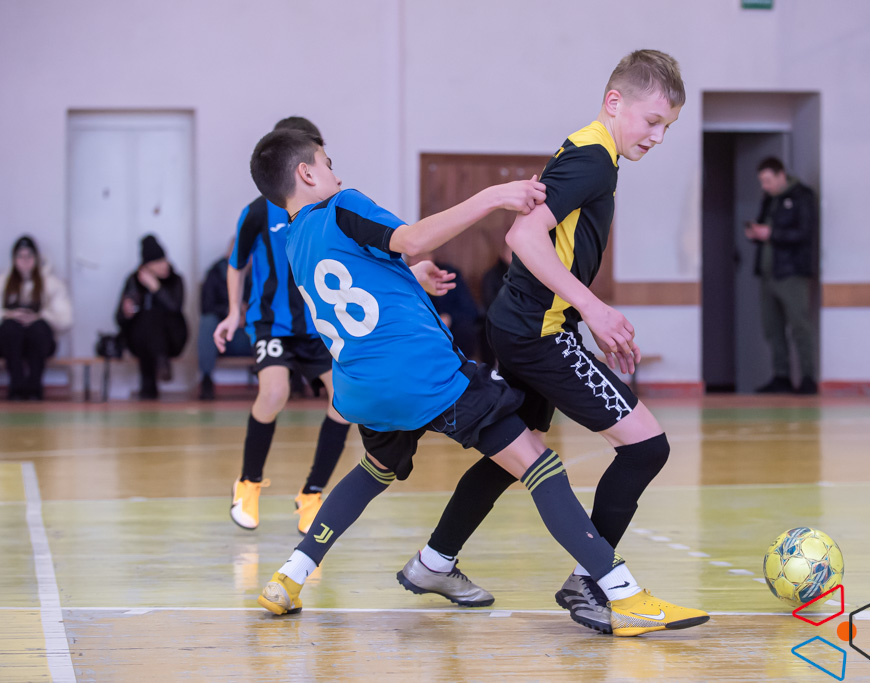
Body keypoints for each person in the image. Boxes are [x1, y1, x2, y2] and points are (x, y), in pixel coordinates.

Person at [250, 127, 708, 637]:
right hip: (424, 377)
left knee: (372, 472)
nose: (337, 174)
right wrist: (492, 196)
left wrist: (411, 279)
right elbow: (412, 240)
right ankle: (621, 593)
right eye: (328, 164)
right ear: (307, 173)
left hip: (363, 387)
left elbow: (353, 286)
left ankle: (290, 576)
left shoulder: (294, 239)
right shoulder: (341, 204)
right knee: (538, 463)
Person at [399, 49, 692, 636]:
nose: (658, 137)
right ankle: (592, 583)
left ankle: (434, 561)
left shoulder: (590, 150)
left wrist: (584, 313)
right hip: (537, 333)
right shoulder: (594, 159)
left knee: (514, 450)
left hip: (522, 324)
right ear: (615, 102)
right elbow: (523, 236)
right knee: (646, 447)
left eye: (668, 127)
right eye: (653, 121)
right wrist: (594, 309)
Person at [213, 117, 352, 535]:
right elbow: (236, 263)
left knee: (345, 401)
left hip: (319, 326)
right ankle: (248, 482)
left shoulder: (332, 208)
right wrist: (233, 312)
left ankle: (312, 494)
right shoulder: (258, 211)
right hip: (272, 324)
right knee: (274, 392)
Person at [745, 156, 818, 395]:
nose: (764, 186)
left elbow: (804, 233)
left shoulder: (802, 197)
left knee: (799, 326)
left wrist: (772, 234)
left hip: (791, 273)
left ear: (781, 175)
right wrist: (757, 233)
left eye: (768, 180)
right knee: (772, 328)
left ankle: (808, 378)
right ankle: (781, 376)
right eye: (761, 181)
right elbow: (767, 229)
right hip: (768, 273)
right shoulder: (769, 199)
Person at [116, 234, 188, 400]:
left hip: (172, 339)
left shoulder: (175, 280)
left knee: (153, 316)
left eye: (164, 260)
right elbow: (119, 319)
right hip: (140, 342)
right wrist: (126, 313)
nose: (164, 265)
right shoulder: (133, 281)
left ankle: (148, 384)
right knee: (147, 320)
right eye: (157, 262)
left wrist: (156, 288)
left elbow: (175, 308)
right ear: (146, 267)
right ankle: (160, 364)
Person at [0, 235, 72, 400]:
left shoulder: (51, 283)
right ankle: (16, 386)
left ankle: (34, 387)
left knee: (38, 329)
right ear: (14, 259)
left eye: (29, 256)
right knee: (11, 328)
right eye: (20, 256)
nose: (24, 261)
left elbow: (66, 320)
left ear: (36, 258)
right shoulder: (3, 282)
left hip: (40, 342)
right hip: (9, 342)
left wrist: (39, 316)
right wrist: (9, 315)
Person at [198, 238, 253, 400]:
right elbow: (206, 306)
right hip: (224, 336)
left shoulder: (260, 274)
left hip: (250, 335)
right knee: (208, 322)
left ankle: (282, 380)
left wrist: (247, 315)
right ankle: (206, 379)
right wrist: (230, 313)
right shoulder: (215, 273)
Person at [478, 241, 512, 366]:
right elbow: (490, 303)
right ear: (503, 252)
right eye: (511, 252)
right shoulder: (491, 275)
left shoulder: (526, 275)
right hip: (498, 320)